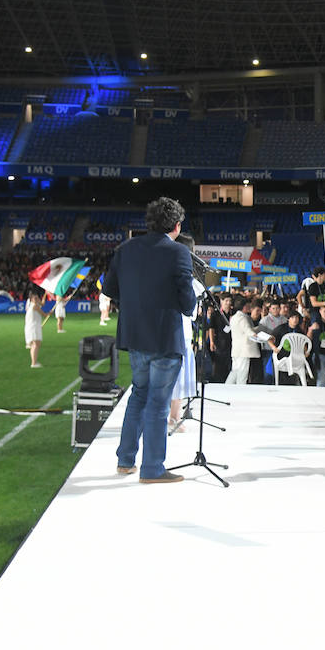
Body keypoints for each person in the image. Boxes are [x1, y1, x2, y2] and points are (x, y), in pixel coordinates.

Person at [103, 196, 197, 484]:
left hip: (134, 335)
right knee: (158, 402)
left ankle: (125, 461)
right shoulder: (178, 252)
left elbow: (110, 288)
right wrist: (188, 306)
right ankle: (152, 468)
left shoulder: (125, 249)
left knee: (139, 395)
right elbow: (186, 298)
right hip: (164, 337)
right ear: (177, 226)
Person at [168, 232, 201, 434]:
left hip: (166, 333)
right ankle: (173, 417)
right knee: (177, 379)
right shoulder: (186, 278)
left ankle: (171, 416)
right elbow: (193, 312)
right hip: (180, 333)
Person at [24, 287, 49, 368]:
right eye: (35, 298)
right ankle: (34, 363)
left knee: (35, 344)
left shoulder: (34, 305)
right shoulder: (34, 306)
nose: (37, 299)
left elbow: (42, 306)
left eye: (37, 297)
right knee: (36, 344)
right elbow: (44, 314)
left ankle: (34, 362)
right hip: (33, 327)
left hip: (33, 326)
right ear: (31, 299)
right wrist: (50, 313)